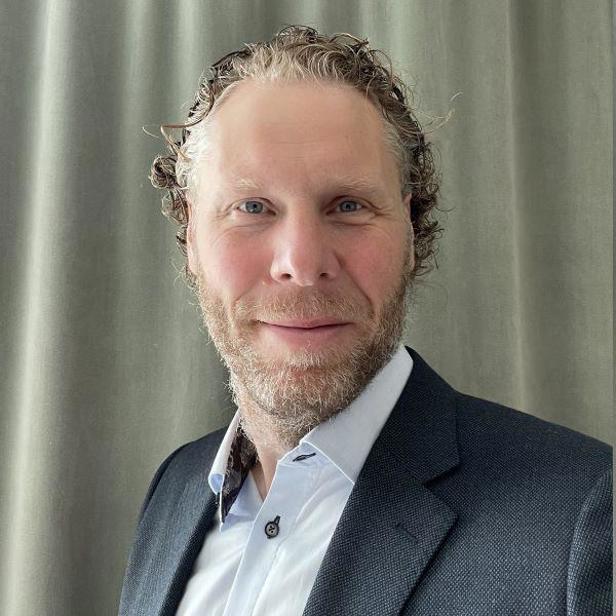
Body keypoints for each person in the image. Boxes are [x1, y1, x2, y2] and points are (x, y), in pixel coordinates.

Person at [118, 25, 612, 616]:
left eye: (348, 206)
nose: (303, 264)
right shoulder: (174, 489)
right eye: (252, 207)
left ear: (410, 230)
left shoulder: (581, 517)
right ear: (192, 239)